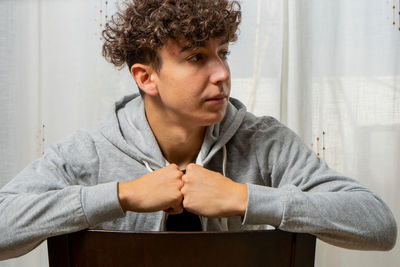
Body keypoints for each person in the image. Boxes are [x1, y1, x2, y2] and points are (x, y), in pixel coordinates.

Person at [0, 0, 397, 261]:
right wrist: (122, 195)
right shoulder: (88, 153)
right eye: (196, 57)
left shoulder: (265, 143)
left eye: (223, 53)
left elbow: (378, 225)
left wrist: (244, 198)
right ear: (146, 77)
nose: (222, 73)